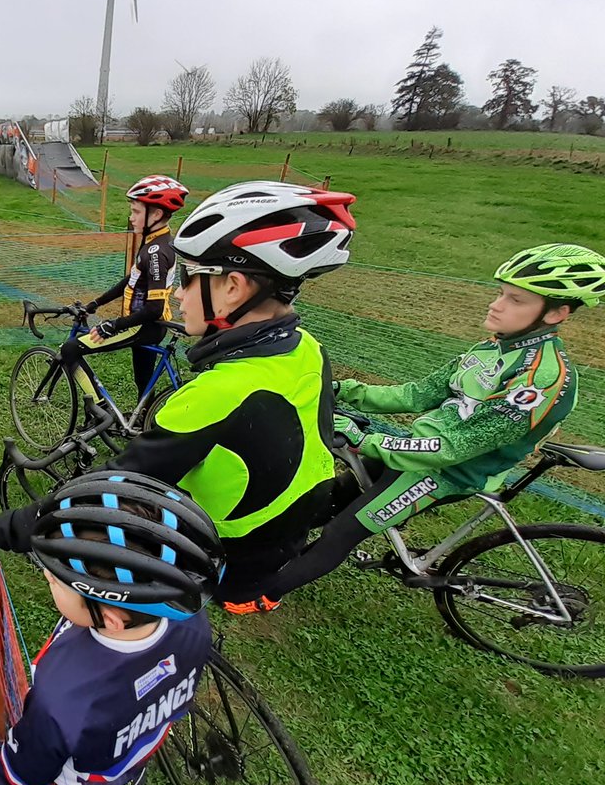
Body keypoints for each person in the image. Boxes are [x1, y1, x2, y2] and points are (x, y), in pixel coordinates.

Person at [0, 181, 358, 614]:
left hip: (225, 559)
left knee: (89, 573)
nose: (178, 295)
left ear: (233, 287)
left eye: (189, 277)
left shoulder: (218, 394)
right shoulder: (305, 347)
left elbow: (97, 495)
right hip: (286, 533)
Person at [251, 242, 605, 603]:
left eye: (516, 301)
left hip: (447, 473)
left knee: (340, 532)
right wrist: (342, 389)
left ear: (556, 314)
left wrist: (365, 440)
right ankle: (260, 557)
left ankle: (258, 595)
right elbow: (416, 395)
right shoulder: (493, 348)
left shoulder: (540, 379)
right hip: (417, 452)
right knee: (322, 500)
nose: (496, 304)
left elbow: (454, 449)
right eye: (501, 294)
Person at [0, 471, 222, 785]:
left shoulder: (64, 696)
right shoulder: (191, 621)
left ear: (113, 619)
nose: (48, 578)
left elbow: (23, 775)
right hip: (131, 762)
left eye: (56, 579)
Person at [61, 175, 189, 400]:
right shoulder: (155, 243)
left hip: (142, 326)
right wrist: (96, 303)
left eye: (136, 212)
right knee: (144, 380)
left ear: (156, 214)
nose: (131, 218)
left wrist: (113, 325)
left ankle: (97, 410)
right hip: (147, 325)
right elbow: (131, 280)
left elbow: (154, 308)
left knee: (69, 349)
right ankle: (143, 421)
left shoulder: (155, 252)